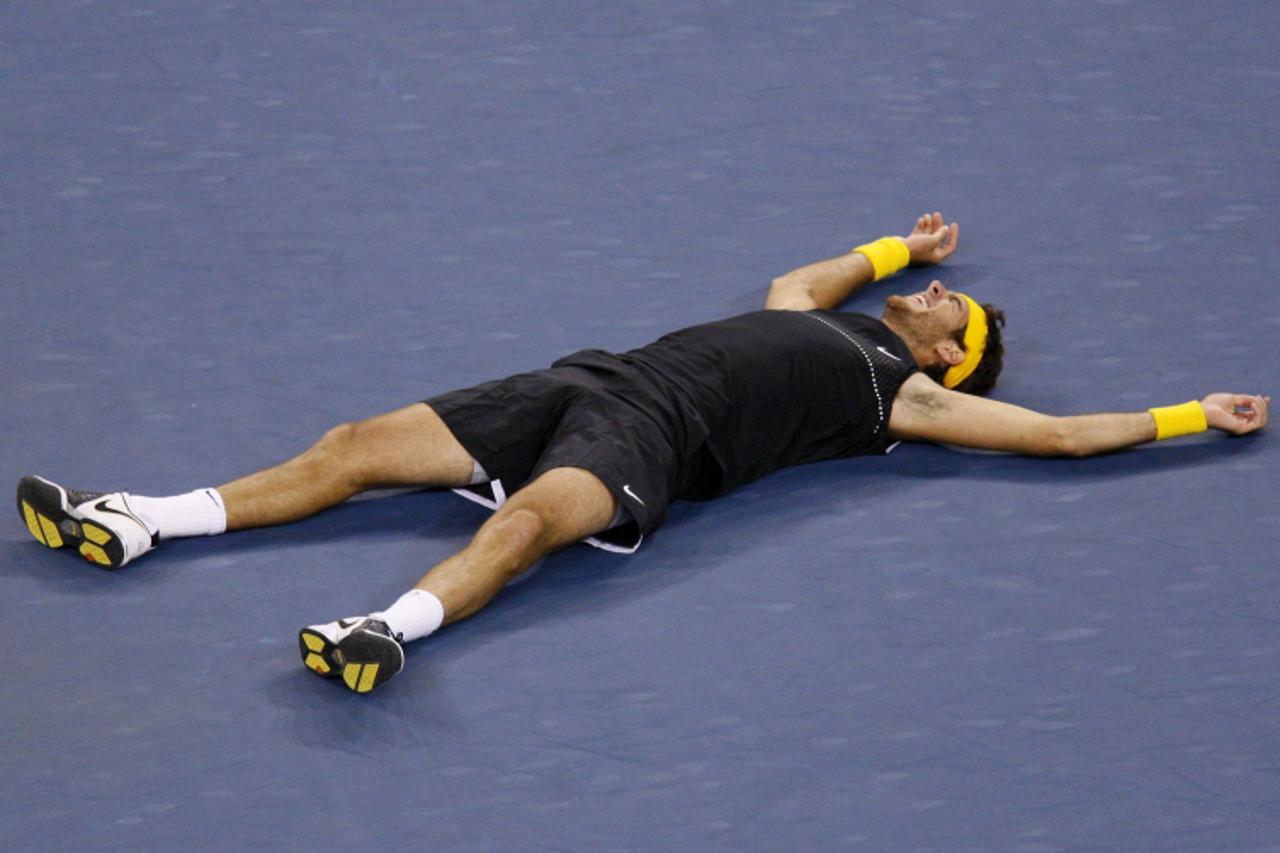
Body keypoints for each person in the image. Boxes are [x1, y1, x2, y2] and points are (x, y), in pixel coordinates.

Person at [16, 213, 1269, 695]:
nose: (944, 302)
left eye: (959, 314)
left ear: (952, 363)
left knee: (512, 531)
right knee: (351, 446)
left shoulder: (904, 400)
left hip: (650, 443)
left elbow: (1055, 432)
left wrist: (1180, 416)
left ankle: (387, 630)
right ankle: (138, 521)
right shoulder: (820, 320)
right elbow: (804, 273)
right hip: (582, 377)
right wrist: (899, 247)